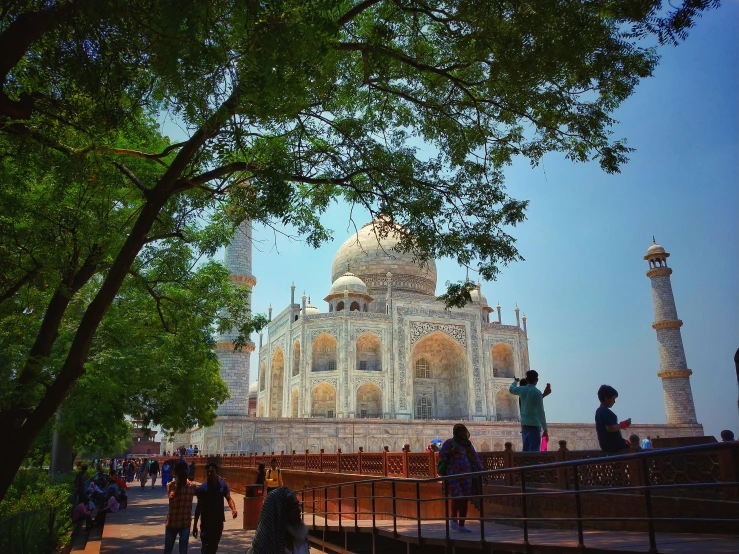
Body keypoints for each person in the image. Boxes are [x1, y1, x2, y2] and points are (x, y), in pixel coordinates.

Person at [438, 424, 483, 533]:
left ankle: (462, 524)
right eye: (460, 431)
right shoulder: (450, 443)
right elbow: (441, 454)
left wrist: (482, 470)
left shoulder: (467, 444)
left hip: (467, 475)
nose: (463, 433)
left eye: (464, 431)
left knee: (465, 499)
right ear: (456, 432)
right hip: (453, 474)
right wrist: (451, 452)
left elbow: (475, 457)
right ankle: (453, 518)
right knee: (457, 496)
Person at [246, 487, 308, 554]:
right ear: (278, 512)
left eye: (298, 505)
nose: (299, 510)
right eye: (293, 506)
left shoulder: (300, 541)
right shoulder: (259, 550)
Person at [193, 462, 237, 553]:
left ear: (216, 472)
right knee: (205, 546)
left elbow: (229, 498)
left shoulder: (222, 486)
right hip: (205, 523)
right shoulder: (202, 488)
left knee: (214, 546)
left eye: (211, 472)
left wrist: (233, 509)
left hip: (218, 522)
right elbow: (198, 507)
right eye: (208, 472)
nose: (209, 474)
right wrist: (194, 525)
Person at [509, 370, 548, 452]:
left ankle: (526, 464)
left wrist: (515, 382)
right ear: (536, 380)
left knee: (526, 449)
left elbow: (511, 389)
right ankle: (534, 464)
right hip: (534, 425)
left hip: (525, 425)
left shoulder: (522, 390)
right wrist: (545, 429)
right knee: (534, 450)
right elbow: (541, 412)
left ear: (527, 379)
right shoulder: (537, 393)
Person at [164, 461, 198, 554]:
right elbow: (172, 496)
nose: (183, 476)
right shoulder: (171, 485)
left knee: (183, 550)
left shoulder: (192, 486)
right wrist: (179, 484)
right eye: (181, 473)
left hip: (184, 523)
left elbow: (204, 490)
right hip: (172, 523)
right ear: (177, 473)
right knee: (168, 549)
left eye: (185, 473)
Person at [595, 385, 630, 453]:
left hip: (605, 446)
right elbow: (610, 428)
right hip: (614, 446)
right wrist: (622, 425)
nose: (614, 401)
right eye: (613, 399)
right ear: (606, 398)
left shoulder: (598, 411)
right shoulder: (606, 412)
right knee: (632, 446)